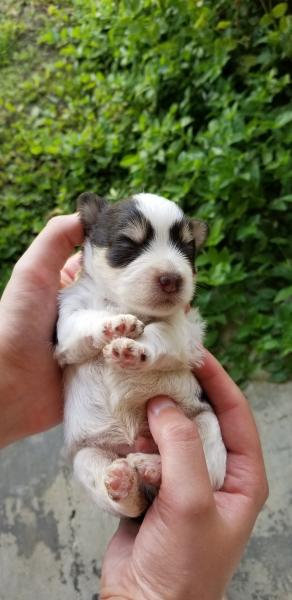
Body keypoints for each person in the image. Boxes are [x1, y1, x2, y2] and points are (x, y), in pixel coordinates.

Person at [0, 215, 268, 599]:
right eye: (129, 246)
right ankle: (125, 493)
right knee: (85, 459)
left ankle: (158, 473)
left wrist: (147, 349)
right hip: (102, 441)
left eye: (184, 250)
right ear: (91, 245)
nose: (170, 270)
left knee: (206, 425)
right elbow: (68, 340)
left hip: (182, 427)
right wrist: (98, 329)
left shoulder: (173, 316)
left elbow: (176, 343)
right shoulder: (78, 298)